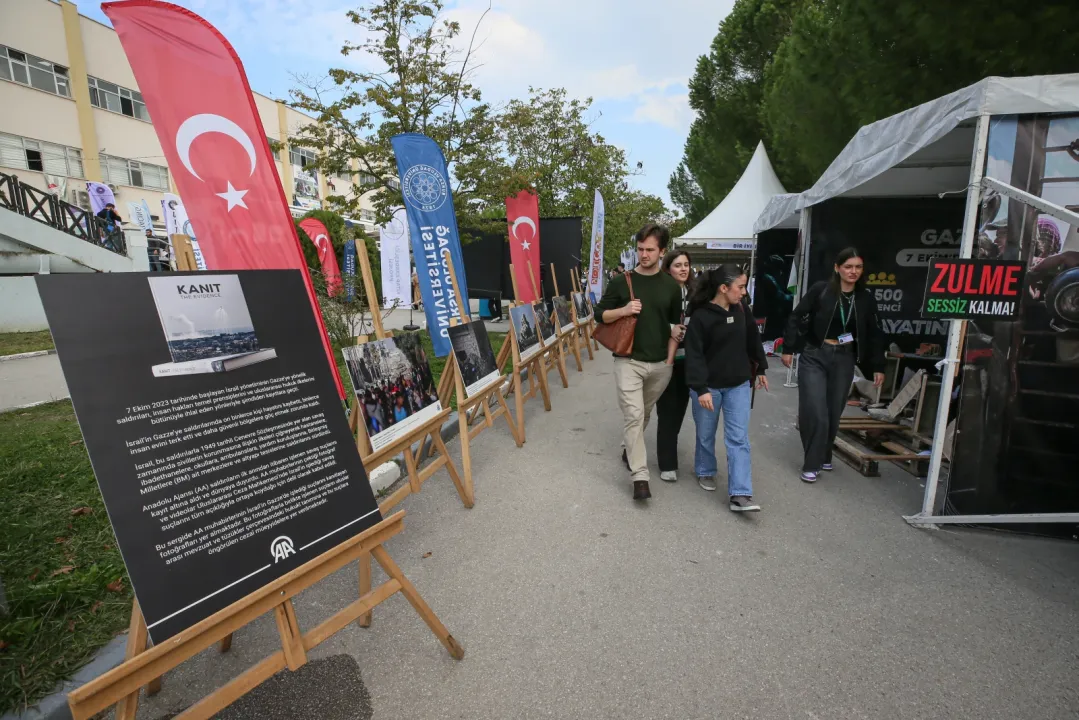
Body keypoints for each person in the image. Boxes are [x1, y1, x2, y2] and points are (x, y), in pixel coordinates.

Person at [781, 247, 885, 483]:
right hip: (815, 354)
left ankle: (825, 453)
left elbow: (876, 333)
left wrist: (878, 365)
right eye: (848, 267)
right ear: (837, 268)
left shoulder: (865, 298)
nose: (853, 271)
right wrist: (788, 348)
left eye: (858, 267)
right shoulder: (822, 290)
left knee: (833, 411)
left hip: (844, 358)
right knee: (815, 410)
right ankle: (812, 463)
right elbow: (795, 317)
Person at [594, 223, 682, 501]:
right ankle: (640, 476)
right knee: (634, 415)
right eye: (640, 249)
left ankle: (628, 448)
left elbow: (674, 326)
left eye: (650, 250)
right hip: (628, 360)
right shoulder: (623, 281)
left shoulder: (671, 286)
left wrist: (669, 359)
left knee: (643, 413)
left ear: (662, 251)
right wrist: (623, 309)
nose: (643, 254)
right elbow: (599, 315)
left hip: (660, 365)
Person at [684, 265, 769, 511]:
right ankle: (705, 470)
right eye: (740, 287)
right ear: (724, 288)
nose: (744, 292)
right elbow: (695, 355)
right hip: (708, 387)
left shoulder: (742, 310)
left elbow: (753, 338)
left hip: (739, 385)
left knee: (738, 438)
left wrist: (761, 369)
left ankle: (740, 493)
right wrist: (700, 389)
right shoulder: (701, 316)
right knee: (706, 433)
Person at [654, 249, 692, 482]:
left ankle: (665, 447)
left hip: (688, 360)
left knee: (679, 409)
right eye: (678, 265)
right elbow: (652, 320)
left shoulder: (695, 293)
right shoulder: (661, 292)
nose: (684, 269)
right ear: (668, 268)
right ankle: (667, 463)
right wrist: (671, 329)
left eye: (686, 264)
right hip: (663, 358)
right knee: (666, 411)